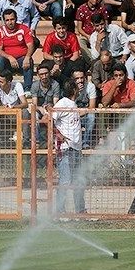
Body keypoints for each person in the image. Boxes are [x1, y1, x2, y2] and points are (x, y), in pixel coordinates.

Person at [47, 80, 86, 214]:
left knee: (78, 181)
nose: (80, 86)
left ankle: (80, 211)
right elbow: (49, 119)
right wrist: (58, 134)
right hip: (65, 148)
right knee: (65, 181)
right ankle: (60, 211)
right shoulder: (63, 103)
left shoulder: (73, 104)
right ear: (73, 90)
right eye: (78, 85)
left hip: (76, 148)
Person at [0, 9, 34, 90]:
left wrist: (27, 57)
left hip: (21, 60)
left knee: (29, 60)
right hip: (7, 61)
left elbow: (30, 45)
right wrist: (9, 57)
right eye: (7, 20)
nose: (10, 22)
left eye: (12, 19)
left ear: (16, 19)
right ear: (4, 21)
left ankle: (27, 89)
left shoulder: (24, 28)